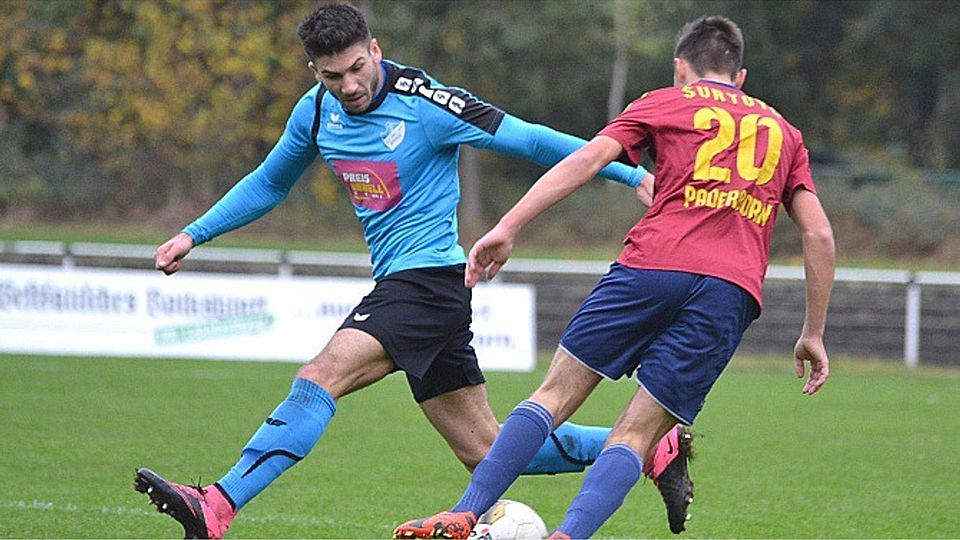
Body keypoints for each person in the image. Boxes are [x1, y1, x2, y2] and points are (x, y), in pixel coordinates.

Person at [133, 4, 691, 539]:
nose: (349, 85)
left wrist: (627, 172)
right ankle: (651, 448)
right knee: (487, 449)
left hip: (426, 284)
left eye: (358, 67)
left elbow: (528, 138)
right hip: (420, 291)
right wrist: (193, 232)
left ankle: (218, 505)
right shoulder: (315, 111)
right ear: (315, 72)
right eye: (333, 76)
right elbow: (271, 181)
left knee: (321, 374)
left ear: (375, 49)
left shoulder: (428, 104)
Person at [395, 14, 835, 540]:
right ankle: (568, 536)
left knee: (552, 397)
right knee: (637, 432)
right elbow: (819, 236)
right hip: (729, 290)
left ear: (681, 69)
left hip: (651, 266)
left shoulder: (665, 101)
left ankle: (465, 513)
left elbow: (586, 161)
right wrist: (813, 331)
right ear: (740, 76)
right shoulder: (785, 132)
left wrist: (508, 226)